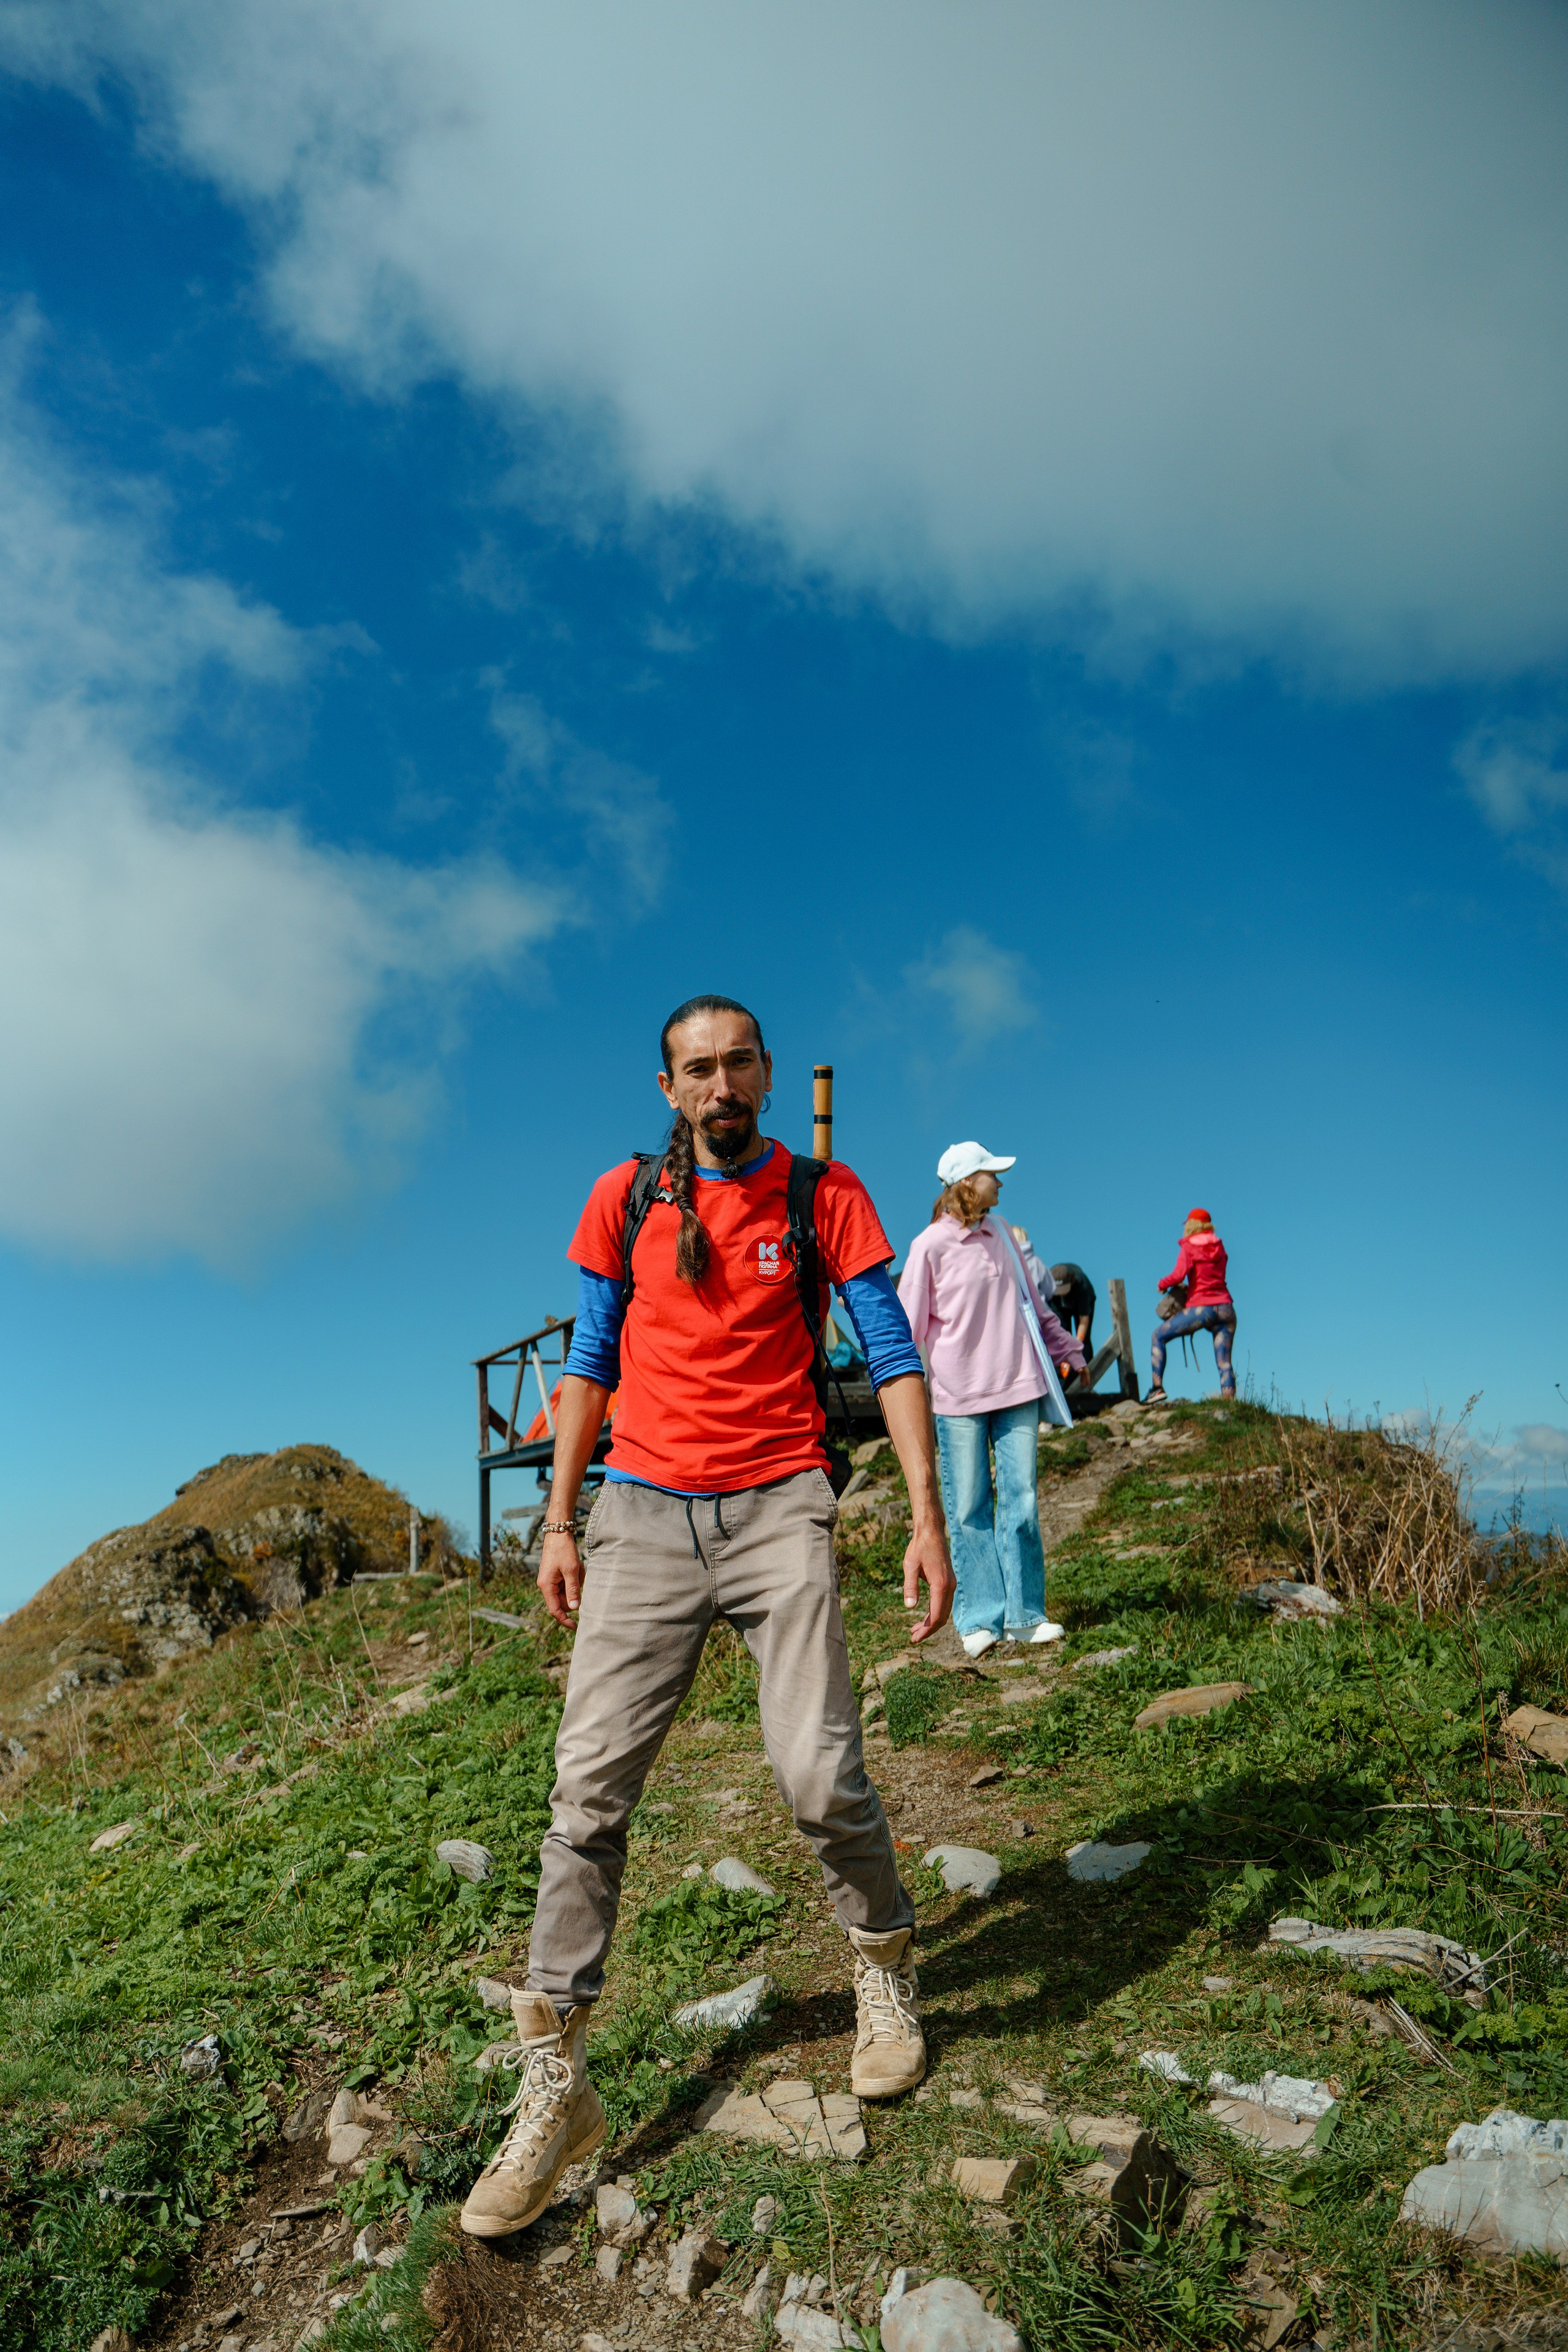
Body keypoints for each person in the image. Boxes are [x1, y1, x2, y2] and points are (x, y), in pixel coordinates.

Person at [459, 996, 954, 2240]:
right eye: (697, 1068)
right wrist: (559, 1521)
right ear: (668, 1086)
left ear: (767, 1075)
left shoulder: (823, 1194)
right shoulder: (623, 1197)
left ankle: (884, 1967)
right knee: (586, 1795)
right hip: (637, 1513)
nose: (719, 1085)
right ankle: (555, 2085)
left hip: (780, 1502)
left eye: (738, 1064)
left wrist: (926, 1517)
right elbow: (589, 1361)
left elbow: (893, 1353)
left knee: (820, 1775)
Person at [899, 1140, 1085, 1660]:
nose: (1000, 1182)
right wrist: (903, 1391)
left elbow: (1036, 1306)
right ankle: (980, 1618)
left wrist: (1069, 1349)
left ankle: (1026, 1616)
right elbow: (909, 1326)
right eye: (991, 1174)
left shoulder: (1002, 1233)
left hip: (1019, 1385)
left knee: (1021, 1502)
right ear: (966, 1183)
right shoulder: (929, 1246)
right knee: (969, 1509)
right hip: (958, 1398)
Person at [1148, 1206, 1236, 1403]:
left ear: (1190, 1226)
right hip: (1226, 1308)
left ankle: (1157, 1389)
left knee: (1158, 1336)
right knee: (1224, 1362)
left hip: (1202, 1310)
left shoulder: (1189, 1247)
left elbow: (1178, 1275)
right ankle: (1229, 1405)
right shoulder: (1220, 1247)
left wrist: (1162, 1284)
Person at [1047, 1261, 1096, 1362]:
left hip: (1081, 1302)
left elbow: (1084, 1320)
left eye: (1064, 1290)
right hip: (1059, 1305)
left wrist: (1078, 1344)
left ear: (1072, 1280)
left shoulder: (1082, 1286)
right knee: (1061, 1338)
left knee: (1084, 1340)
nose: (1062, 1294)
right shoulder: (1048, 1286)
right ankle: (1064, 1370)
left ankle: (1086, 1367)